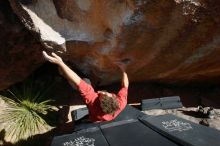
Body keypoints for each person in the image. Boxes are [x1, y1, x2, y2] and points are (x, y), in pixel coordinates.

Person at [42, 51, 129, 122]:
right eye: (107, 94)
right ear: (115, 100)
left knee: (84, 82)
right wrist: (124, 69)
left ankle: (63, 73)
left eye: (101, 95)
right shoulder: (121, 103)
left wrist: (61, 63)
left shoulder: (93, 103)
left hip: (94, 118)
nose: (100, 92)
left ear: (99, 103)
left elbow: (78, 82)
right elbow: (125, 86)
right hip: (100, 118)